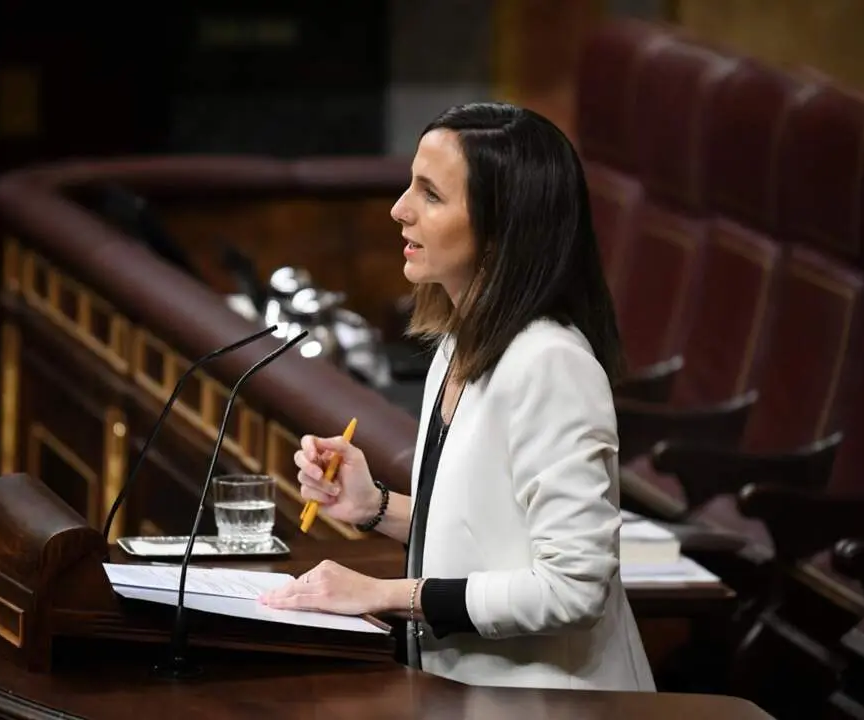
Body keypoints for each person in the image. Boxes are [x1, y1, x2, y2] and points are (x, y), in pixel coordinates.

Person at [259, 102, 655, 691]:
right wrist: (373, 506)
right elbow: (489, 535)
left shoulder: (552, 364)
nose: (399, 209)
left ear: (501, 231)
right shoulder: (456, 343)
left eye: (431, 195)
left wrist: (383, 594)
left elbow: (574, 589)